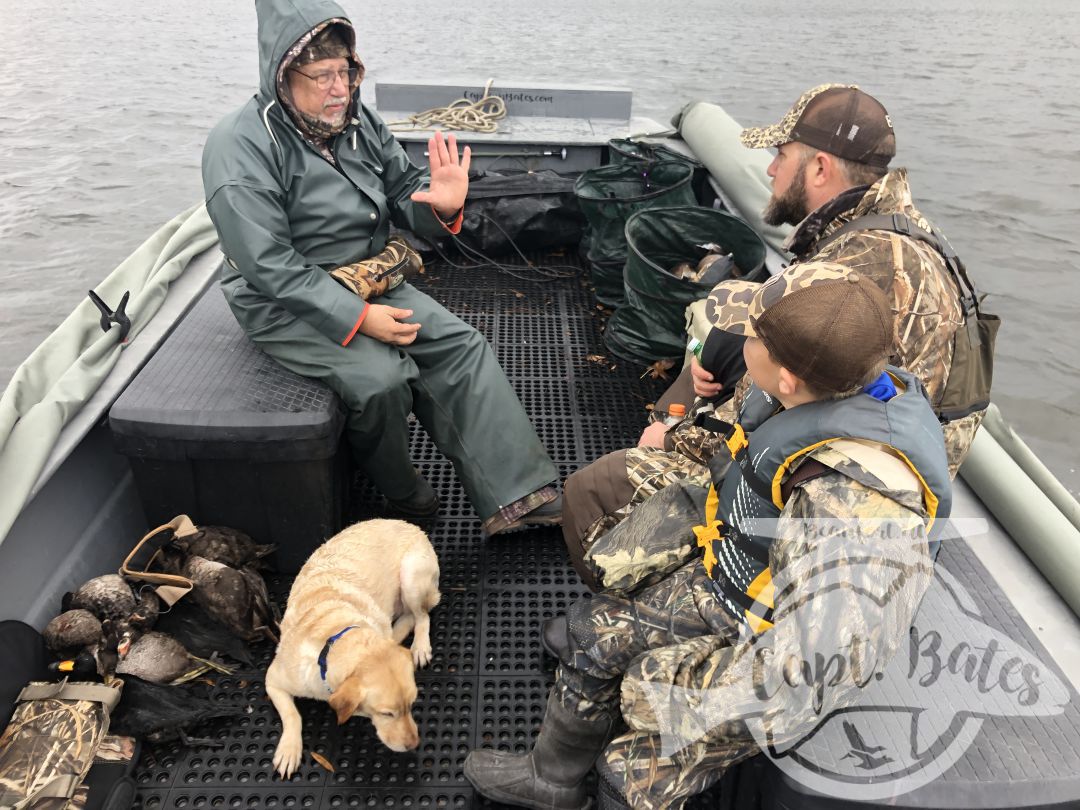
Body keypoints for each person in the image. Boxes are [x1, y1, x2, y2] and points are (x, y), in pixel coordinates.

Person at [465, 261, 952, 809]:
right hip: (739, 576)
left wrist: (672, 693)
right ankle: (550, 780)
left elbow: (811, 673)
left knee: (631, 771)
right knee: (593, 633)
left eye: (749, 334)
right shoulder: (814, 391)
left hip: (774, 649)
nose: (736, 336)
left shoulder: (855, 507)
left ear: (786, 375)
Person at [561, 84, 985, 587]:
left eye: (780, 156)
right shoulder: (902, 234)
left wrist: (666, 439)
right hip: (882, 460)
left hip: (822, 510)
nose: (769, 170)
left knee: (593, 488)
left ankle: (625, 601)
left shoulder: (846, 271)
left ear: (820, 169)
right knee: (705, 360)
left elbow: (768, 417)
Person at [200, 0, 560, 535]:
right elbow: (267, 264)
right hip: (281, 301)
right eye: (321, 76)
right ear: (282, 74)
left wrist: (441, 206)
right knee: (381, 380)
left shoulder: (356, 121)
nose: (338, 89)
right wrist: (358, 319)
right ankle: (400, 490)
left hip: (369, 276)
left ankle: (516, 495)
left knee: (460, 345)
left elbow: (398, 191)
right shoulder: (240, 146)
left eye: (344, 71)